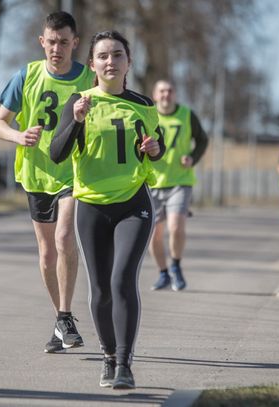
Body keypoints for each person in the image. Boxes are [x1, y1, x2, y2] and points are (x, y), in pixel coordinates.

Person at [50, 30, 165, 390]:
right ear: (93, 64)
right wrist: (76, 121)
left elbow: (155, 150)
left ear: (129, 62)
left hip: (133, 202)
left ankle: (125, 364)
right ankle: (108, 357)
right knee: (100, 287)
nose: (110, 61)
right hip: (92, 206)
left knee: (121, 280)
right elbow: (57, 153)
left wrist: (153, 149)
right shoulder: (78, 102)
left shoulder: (144, 105)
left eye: (117, 55)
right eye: (102, 56)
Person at [0, 11, 94, 353]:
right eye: (51, 42)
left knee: (65, 236)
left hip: (72, 173)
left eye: (64, 42)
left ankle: (65, 316)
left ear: (74, 44)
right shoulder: (27, 75)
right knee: (47, 252)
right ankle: (60, 320)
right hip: (36, 175)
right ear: (42, 42)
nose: (57, 48)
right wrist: (19, 136)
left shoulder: (87, 81)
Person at [148, 79, 208, 291]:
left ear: (175, 94)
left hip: (180, 182)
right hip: (152, 183)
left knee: (176, 227)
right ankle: (163, 273)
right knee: (153, 235)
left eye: (170, 91)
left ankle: (175, 265)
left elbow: (202, 140)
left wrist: (192, 157)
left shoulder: (187, 115)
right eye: (161, 91)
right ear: (155, 95)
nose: (166, 95)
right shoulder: (147, 114)